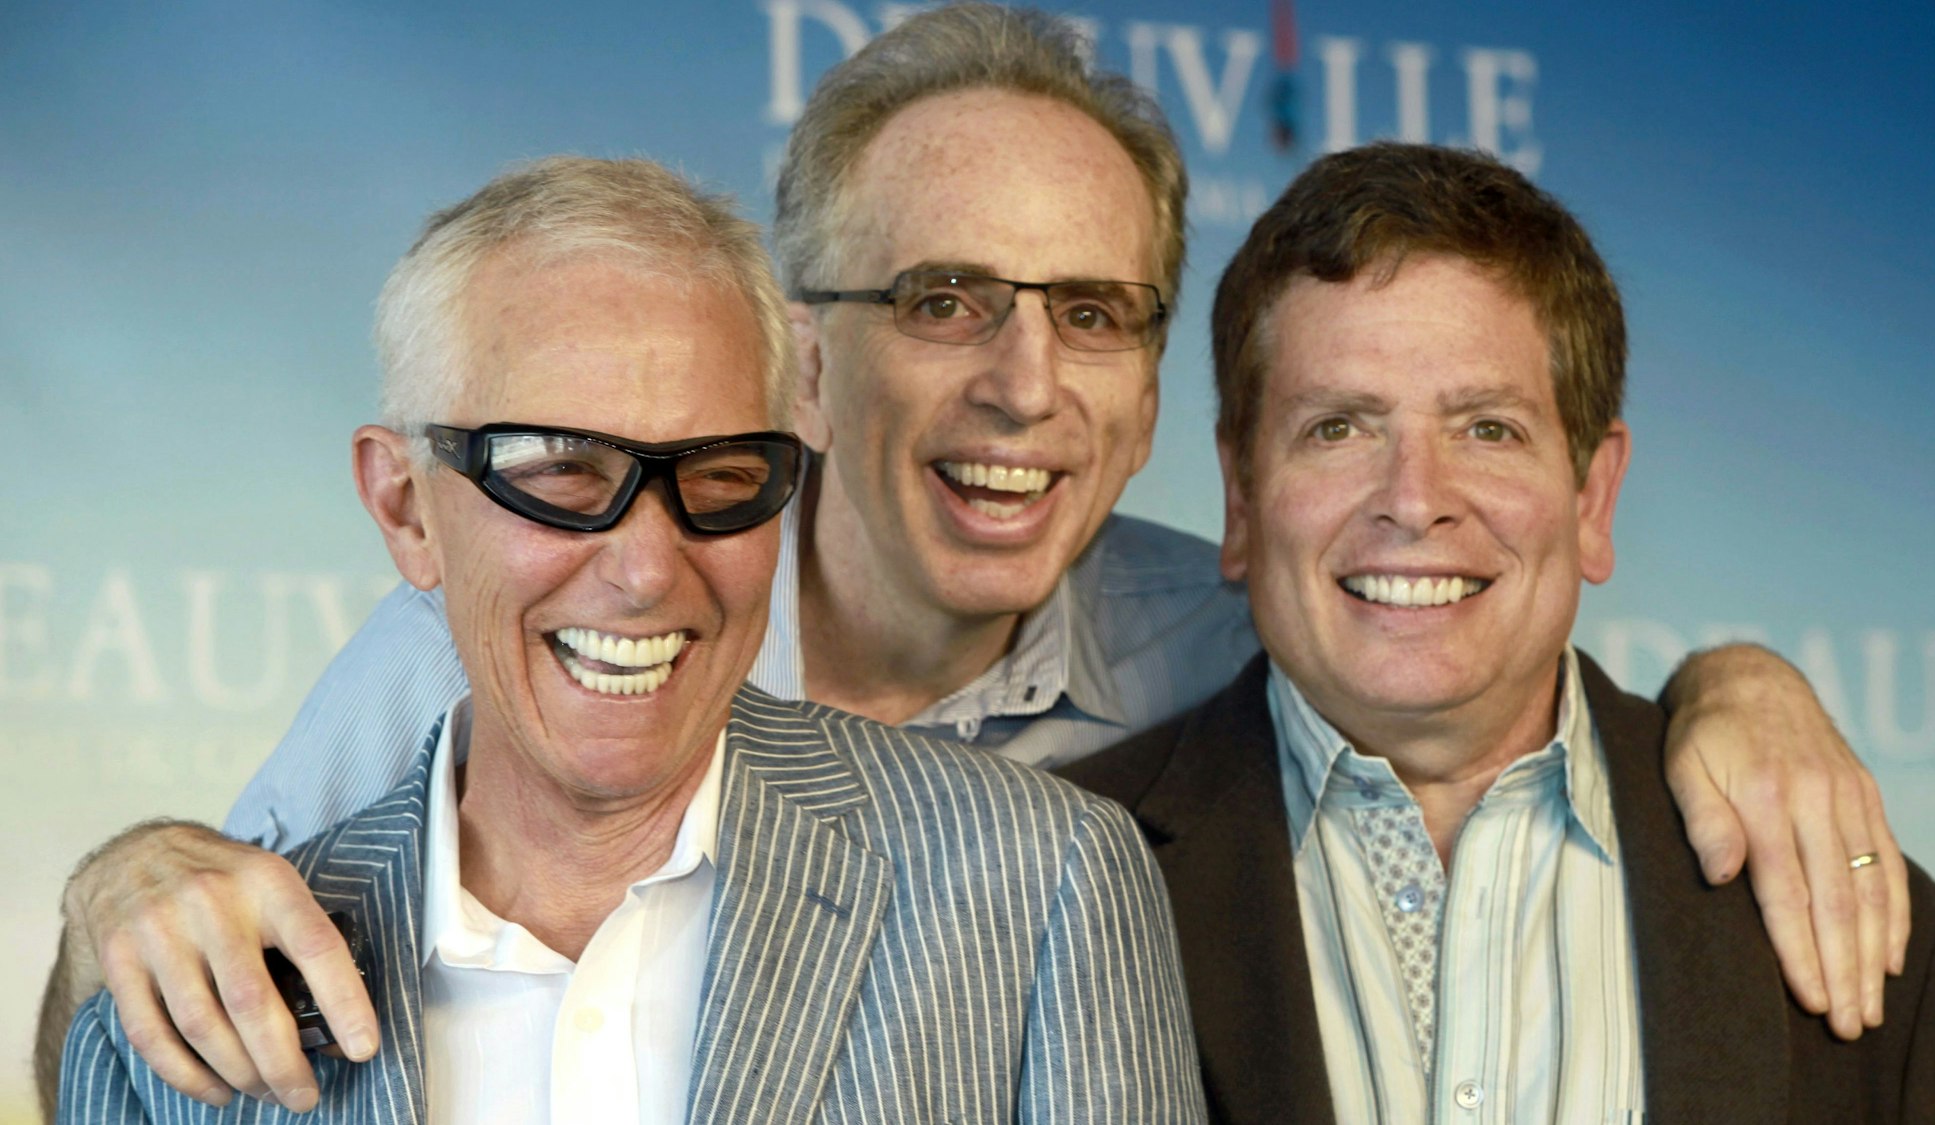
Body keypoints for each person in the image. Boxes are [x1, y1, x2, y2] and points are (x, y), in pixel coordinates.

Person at [36, 4, 1909, 1115]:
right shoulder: (485, 647)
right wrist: (120, 887)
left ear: (1156, 390)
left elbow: (1477, 661)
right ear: (803, 355)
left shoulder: (1231, 638)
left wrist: (1733, 690)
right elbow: (144, 1029)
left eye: (1092, 313)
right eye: (945, 299)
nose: (1025, 384)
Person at [58, 156, 1204, 1123]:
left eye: (724, 477)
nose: (650, 568)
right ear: (405, 508)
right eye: (562, 473)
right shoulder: (167, 1014)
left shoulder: (1044, 884)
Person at [1062, 142, 1935, 1123]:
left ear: (1592, 498)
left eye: (1487, 428)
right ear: (1241, 497)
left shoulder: (1867, 932)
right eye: (1338, 427)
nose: (1413, 499)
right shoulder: (1050, 884)